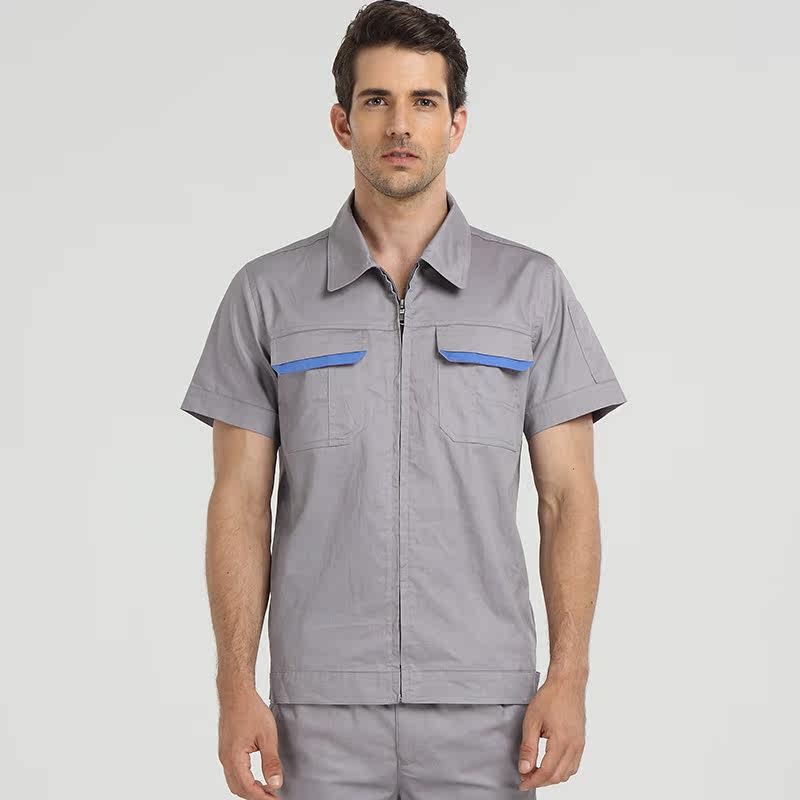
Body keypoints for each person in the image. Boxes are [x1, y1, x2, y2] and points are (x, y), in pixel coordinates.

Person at [179, 1, 627, 797]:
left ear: (457, 125)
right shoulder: (267, 294)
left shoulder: (530, 289)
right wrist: (234, 687)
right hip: (317, 714)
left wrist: (569, 677)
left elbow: (568, 499)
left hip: (488, 710)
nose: (400, 124)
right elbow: (240, 503)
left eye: (423, 101)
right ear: (341, 123)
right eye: (376, 100)